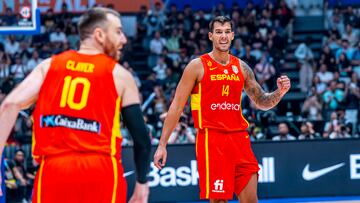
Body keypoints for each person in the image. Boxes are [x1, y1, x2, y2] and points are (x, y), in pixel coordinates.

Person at [0, 7, 151, 203]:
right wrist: (142, 185)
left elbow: (10, 104)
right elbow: (142, 141)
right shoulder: (120, 75)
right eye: (118, 32)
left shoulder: (48, 66)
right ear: (99, 35)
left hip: (53, 170)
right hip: (100, 169)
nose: (124, 39)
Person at [153, 16, 291, 203]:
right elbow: (176, 107)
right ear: (211, 36)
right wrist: (162, 144)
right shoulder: (196, 66)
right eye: (219, 32)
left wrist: (280, 92)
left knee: (251, 200)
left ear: (233, 35)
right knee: (219, 201)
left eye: (227, 32)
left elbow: (262, 102)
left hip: (239, 139)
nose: (223, 36)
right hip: (212, 139)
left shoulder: (241, 67)